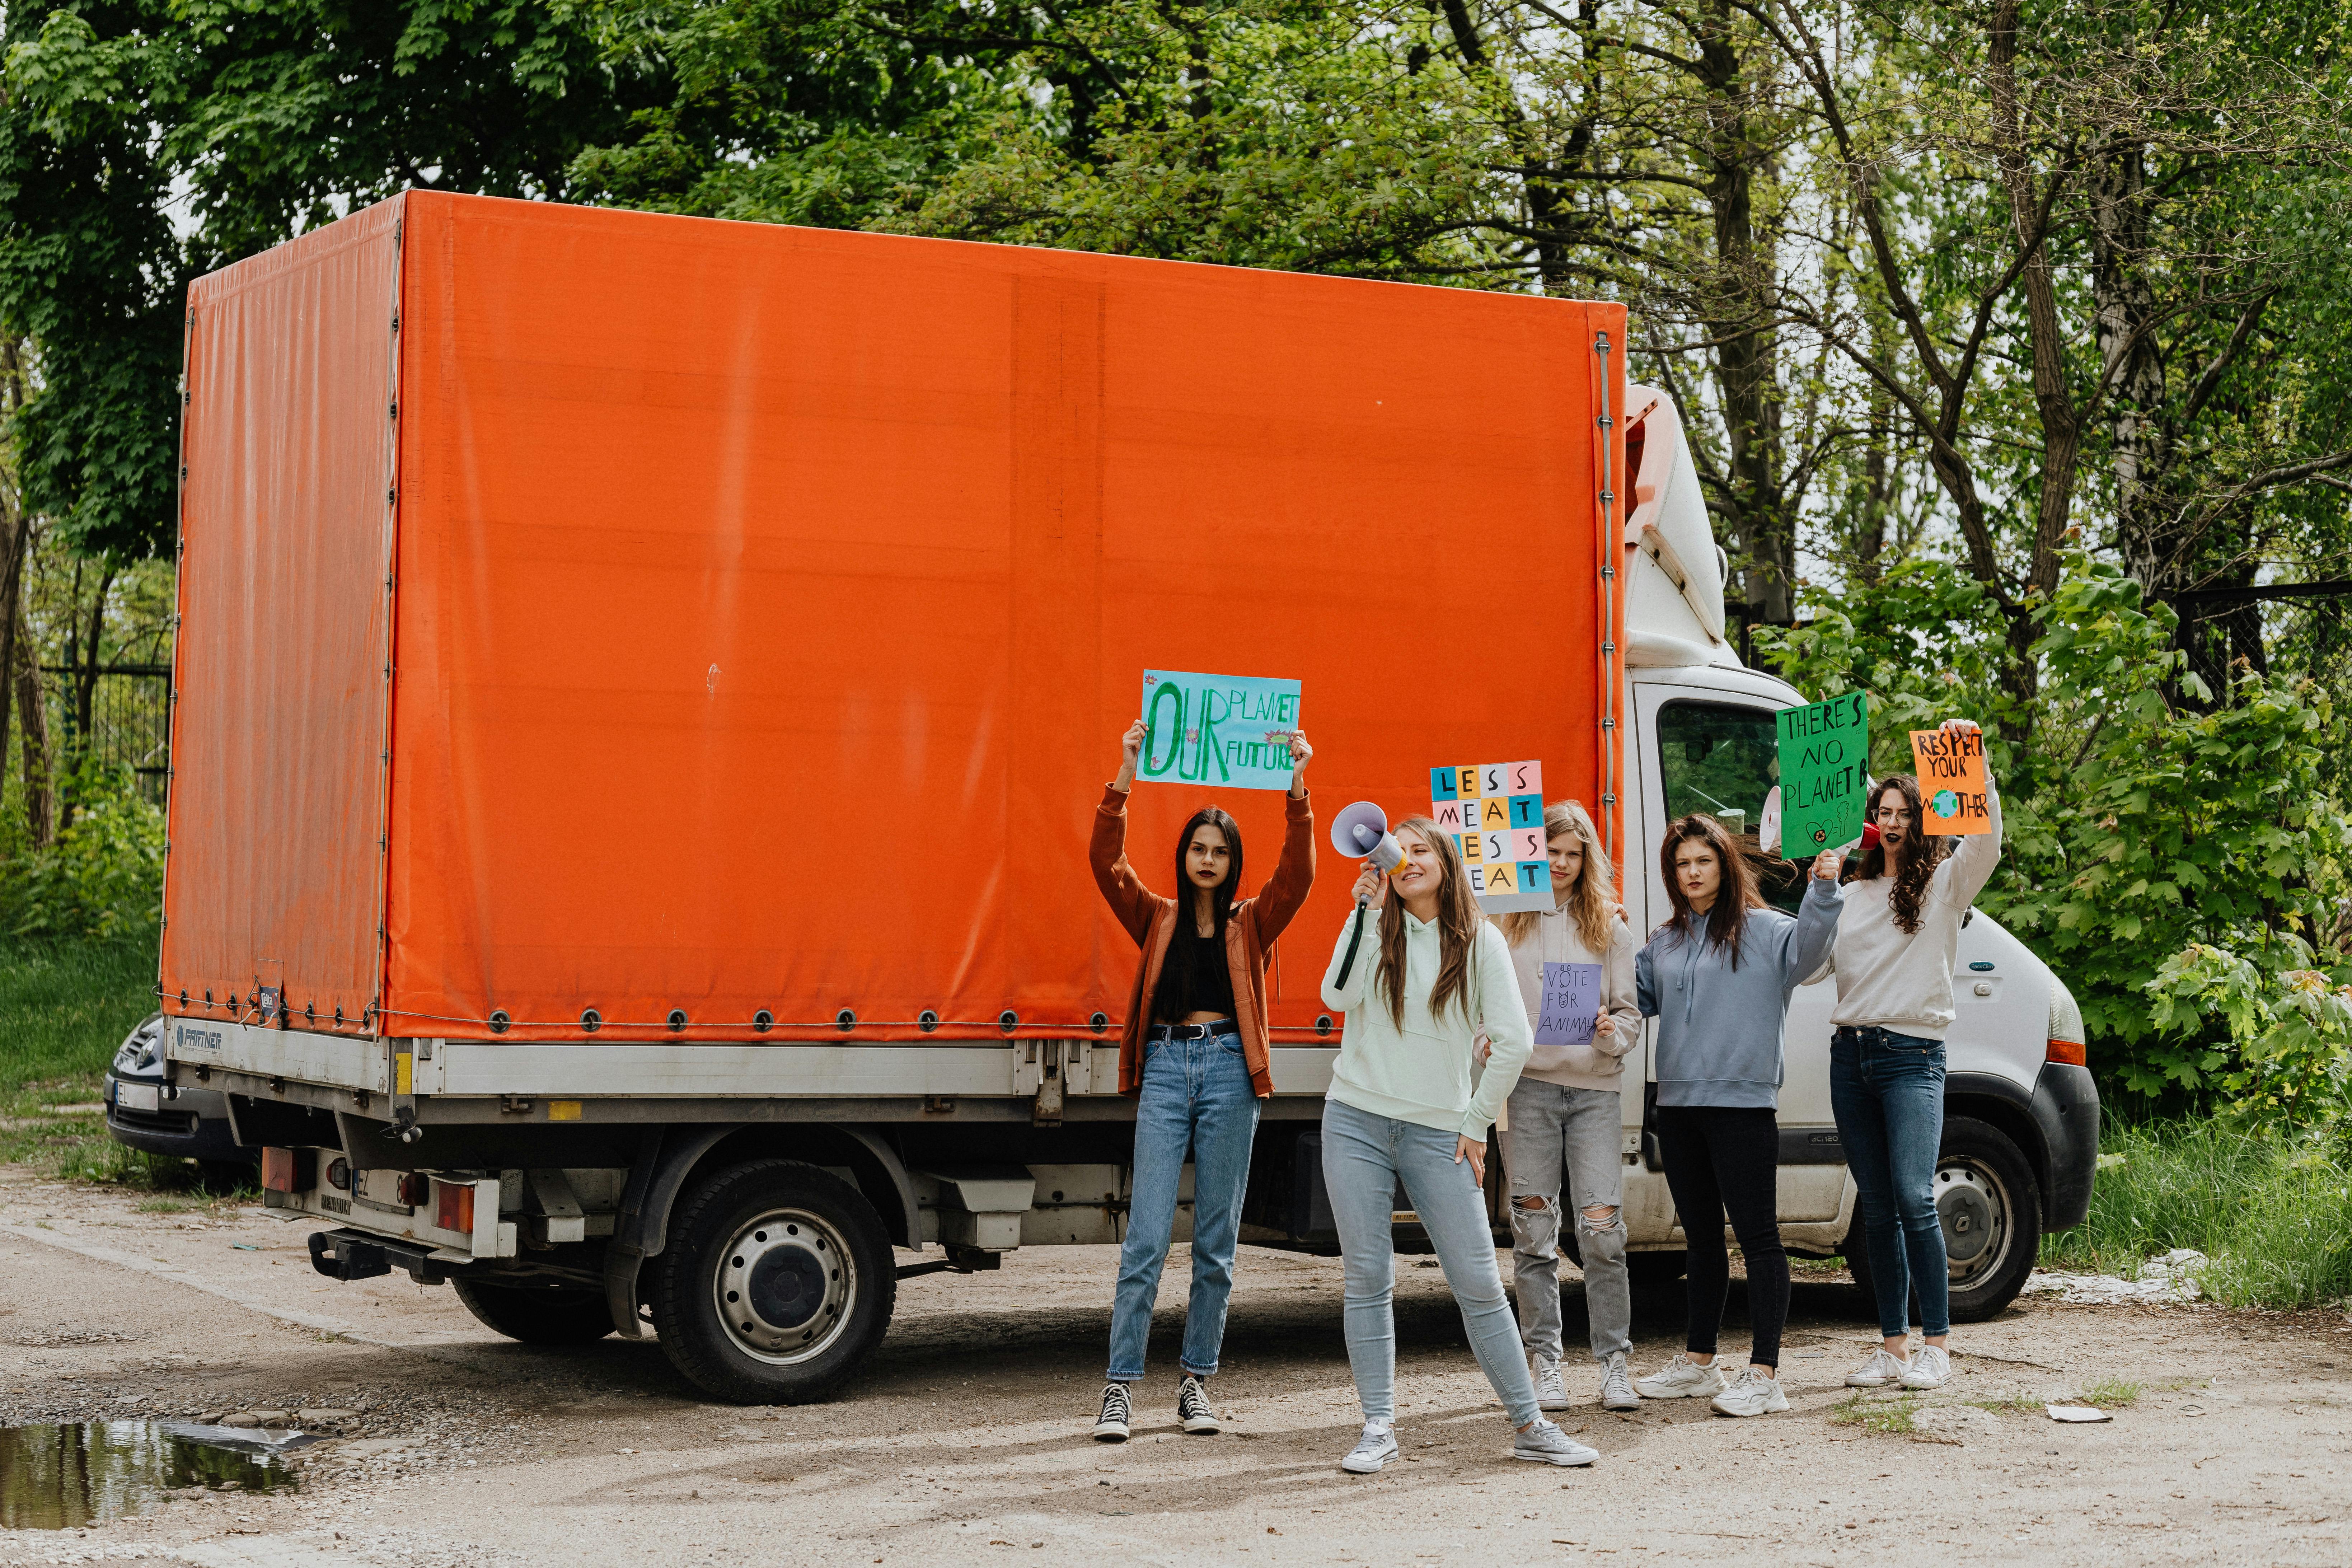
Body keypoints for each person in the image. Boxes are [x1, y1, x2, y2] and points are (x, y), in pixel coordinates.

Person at [1318, 818, 1598, 1474]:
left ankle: (1530, 1424)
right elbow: (1336, 994)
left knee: (1476, 1282)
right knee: (1367, 1278)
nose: (1406, 859)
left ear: (1445, 860)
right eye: (1399, 852)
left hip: (1438, 1130)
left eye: (1420, 850)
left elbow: (1514, 1041)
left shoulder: (1479, 942)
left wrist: (1473, 1124)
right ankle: (1378, 1425)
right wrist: (1363, 911)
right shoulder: (1374, 925)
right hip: (1353, 1118)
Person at [1087, 718, 1315, 1442]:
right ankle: (1120, 1387)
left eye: (1219, 851)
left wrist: (1298, 787)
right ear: (1184, 855)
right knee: (1147, 1239)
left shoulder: (1253, 924)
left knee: (1216, 1240)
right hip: (1166, 1066)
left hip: (1228, 1073)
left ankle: (1195, 1382)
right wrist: (1124, 771)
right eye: (1198, 848)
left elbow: (1298, 875)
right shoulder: (1155, 917)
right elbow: (1105, 861)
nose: (1207, 859)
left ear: (1231, 862)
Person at [1631, 815, 1842, 1418]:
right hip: (1677, 1105)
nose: (1692, 872)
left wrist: (1824, 887)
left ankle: (1764, 1373)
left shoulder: (1769, 930)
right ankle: (1700, 1364)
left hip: (1742, 1105)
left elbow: (1810, 953)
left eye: (1702, 860)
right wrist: (1614, 943)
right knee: (1698, 1239)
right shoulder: (1665, 940)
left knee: (1758, 1238)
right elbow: (1636, 998)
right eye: (1681, 864)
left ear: (1724, 864)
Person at [1833, 721, 2003, 1394]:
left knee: (1912, 1197)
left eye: (1905, 812)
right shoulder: (1851, 893)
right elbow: (1814, 967)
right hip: (1850, 1059)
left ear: (1922, 821)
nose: (1894, 821)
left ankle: (1937, 1345)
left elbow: (1985, 843)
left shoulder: (1943, 887)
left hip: (1911, 1058)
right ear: (1872, 823)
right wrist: (1820, 883)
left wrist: (1975, 772)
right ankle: (1892, 1348)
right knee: (1876, 1206)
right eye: (1885, 813)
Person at [1493, 800, 1643, 1413]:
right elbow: (1481, 998)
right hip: (1524, 1088)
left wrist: (1610, 1032)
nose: (1559, 863)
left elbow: (1630, 1016)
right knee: (1532, 1231)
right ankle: (1545, 1362)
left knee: (1602, 1231)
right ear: (1533, 854)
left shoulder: (1610, 925)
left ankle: (1614, 1362)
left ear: (1587, 860)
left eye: (1571, 854)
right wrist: (1485, 1034)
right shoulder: (1503, 920)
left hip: (1591, 1093)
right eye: (1550, 851)